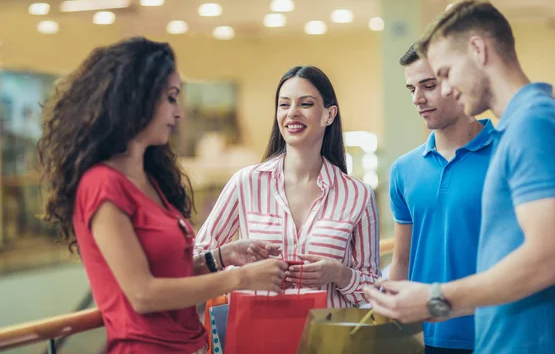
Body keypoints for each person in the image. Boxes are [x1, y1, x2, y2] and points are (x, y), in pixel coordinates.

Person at [365, 0, 555, 354]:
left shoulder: (534, 124)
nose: (445, 88)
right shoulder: (527, 124)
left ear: (478, 49)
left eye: (444, 73)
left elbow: (549, 257)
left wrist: (435, 298)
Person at [37, 37, 288, 354]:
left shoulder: (151, 178)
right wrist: (241, 278)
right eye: (170, 98)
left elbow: (167, 274)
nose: (179, 113)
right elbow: (143, 294)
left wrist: (221, 258)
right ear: (135, 99)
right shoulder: (101, 184)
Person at [194, 65, 380, 308]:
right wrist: (242, 274)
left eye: (305, 104)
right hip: (257, 338)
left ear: (329, 114)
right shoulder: (246, 183)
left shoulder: (358, 195)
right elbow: (197, 261)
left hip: (328, 341)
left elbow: (373, 291)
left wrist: (340, 274)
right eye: (284, 105)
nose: (292, 113)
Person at [388, 44, 494, 353]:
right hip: (423, 339)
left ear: (456, 81)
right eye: (412, 88)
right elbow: (402, 259)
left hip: (494, 334)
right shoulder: (404, 169)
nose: (417, 99)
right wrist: (397, 329)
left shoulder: (507, 155)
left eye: (428, 86)